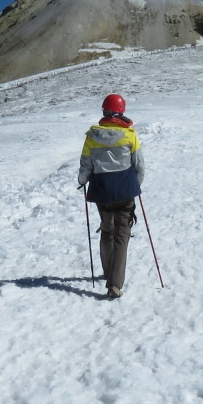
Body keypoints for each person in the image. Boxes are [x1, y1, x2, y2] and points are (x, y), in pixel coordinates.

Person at [78, 93, 144, 299]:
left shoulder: (91, 136)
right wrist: (135, 186)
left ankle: (107, 271)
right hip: (125, 191)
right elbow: (139, 167)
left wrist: (82, 181)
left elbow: (85, 165)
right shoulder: (130, 135)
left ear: (104, 111)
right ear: (121, 112)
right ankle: (115, 283)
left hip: (101, 190)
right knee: (122, 233)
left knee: (107, 230)